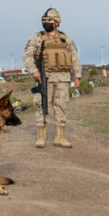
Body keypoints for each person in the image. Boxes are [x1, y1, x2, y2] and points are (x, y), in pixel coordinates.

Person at [22, 8, 81, 148]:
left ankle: (59, 138)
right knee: (43, 105)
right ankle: (41, 137)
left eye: (49, 20)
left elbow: (74, 58)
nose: (46, 23)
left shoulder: (66, 39)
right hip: (44, 78)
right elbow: (27, 56)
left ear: (57, 22)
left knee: (61, 106)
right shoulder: (37, 38)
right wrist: (34, 71)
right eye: (44, 20)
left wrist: (77, 75)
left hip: (63, 78)